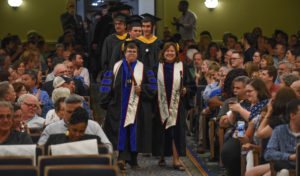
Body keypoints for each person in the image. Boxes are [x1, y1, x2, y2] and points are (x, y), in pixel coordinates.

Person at [99, 41, 157, 170]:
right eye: (129, 51)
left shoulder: (144, 68)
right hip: (118, 107)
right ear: (124, 53)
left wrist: (142, 88)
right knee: (121, 133)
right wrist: (105, 103)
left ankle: (132, 160)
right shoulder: (116, 67)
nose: (131, 53)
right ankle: (122, 158)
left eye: (134, 51)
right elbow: (107, 86)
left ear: (137, 54)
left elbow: (153, 87)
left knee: (135, 133)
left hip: (138, 108)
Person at [152, 42, 196, 171]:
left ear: (176, 53)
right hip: (160, 104)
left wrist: (186, 90)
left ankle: (176, 160)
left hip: (177, 105)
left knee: (176, 131)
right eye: (167, 51)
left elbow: (191, 84)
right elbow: (151, 84)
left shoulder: (182, 66)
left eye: (172, 51)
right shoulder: (157, 67)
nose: (170, 53)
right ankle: (162, 156)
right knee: (162, 130)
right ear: (163, 53)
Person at [221, 78, 270, 176]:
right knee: (227, 151)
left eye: (250, 91)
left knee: (231, 152)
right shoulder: (244, 103)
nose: (247, 94)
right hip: (240, 129)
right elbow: (231, 122)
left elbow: (253, 119)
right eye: (246, 91)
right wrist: (234, 113)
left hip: (255, 134)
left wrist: (239, 109)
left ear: (259, 90)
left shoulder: (264, 103)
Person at [38, 94, 113, 154]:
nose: (73, 114)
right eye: (69, 112)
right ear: (64, 111)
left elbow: (108, 149)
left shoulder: (94, 126)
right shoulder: (51, 129)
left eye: (77, 111)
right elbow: (40, 151)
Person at [264, 99, 300, 172]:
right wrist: (289, 156)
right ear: (292, 115)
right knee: (283, 171)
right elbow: (268, 153)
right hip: (284, 166)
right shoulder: (280, 130)